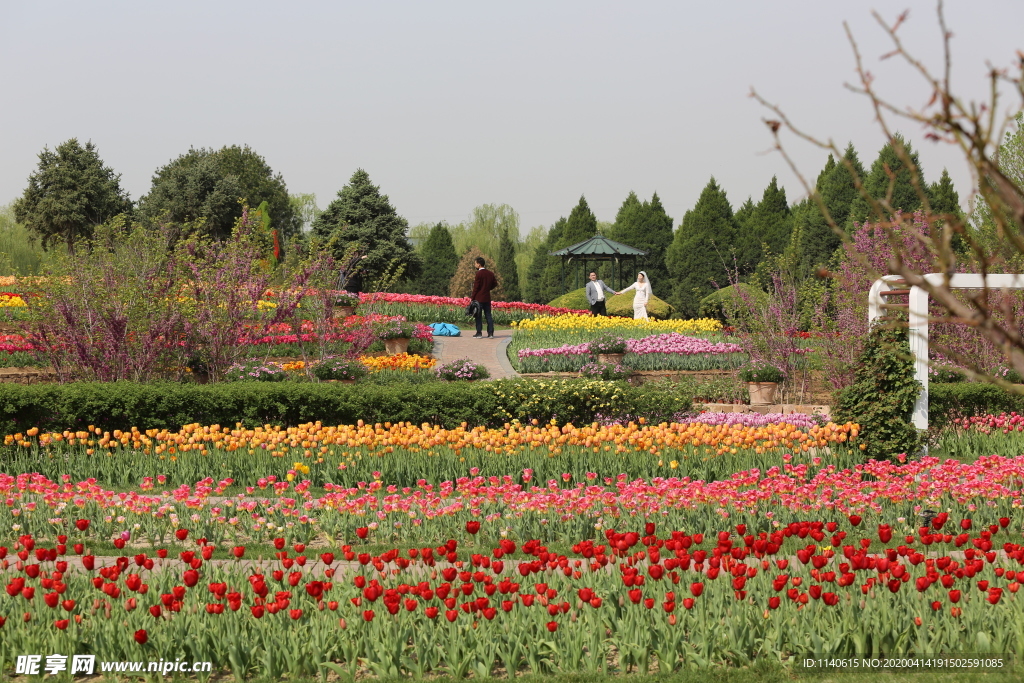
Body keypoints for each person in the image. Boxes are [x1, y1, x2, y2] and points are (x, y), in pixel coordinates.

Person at [471, 256, 498, 338]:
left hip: (479, 298)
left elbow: (476, 287)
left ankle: (479, 333)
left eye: (475, 263)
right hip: (487, 297)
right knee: (488, 315)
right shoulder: (490, 273)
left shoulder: (479, 274)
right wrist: (488, 288)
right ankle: (490, 333)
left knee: (478, 316)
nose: (475, 265)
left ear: (479, 264)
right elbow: (495, 283)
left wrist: (472, 298)